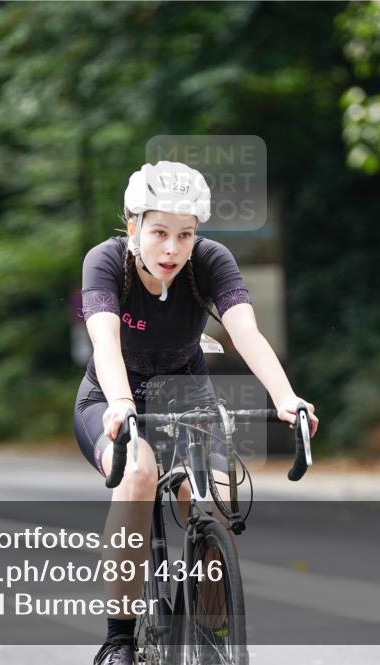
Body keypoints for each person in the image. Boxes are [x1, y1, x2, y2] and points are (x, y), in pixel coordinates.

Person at [74, 161, 319, 665]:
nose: (172, 248)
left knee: (216, 503)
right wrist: (121, 404)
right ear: (133, 226)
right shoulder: (105, 262)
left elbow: (246, 332)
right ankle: (118, 639)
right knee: (138, 475)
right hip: (110, 397)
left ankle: (212, 636)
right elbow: (105, 341)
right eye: (159, 232)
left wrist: (286, 397)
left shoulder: (210, 260)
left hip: (187, 394)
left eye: (185, 235)